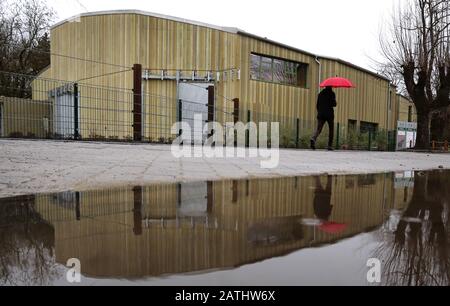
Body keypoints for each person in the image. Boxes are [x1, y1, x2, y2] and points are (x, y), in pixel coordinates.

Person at [311, 86, 337, 151]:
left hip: (321, 114)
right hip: (329, 115)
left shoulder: (320, 94)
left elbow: (317, 105)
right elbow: (334, 104)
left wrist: (320, 111)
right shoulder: (332, 93)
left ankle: (313, 138)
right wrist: (335, 102)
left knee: (319, 129)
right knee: (331, 130)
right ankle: (329, 146)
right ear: (331, 87)